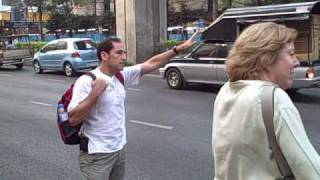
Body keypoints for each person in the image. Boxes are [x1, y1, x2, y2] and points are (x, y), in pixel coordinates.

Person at [67, 32, 198, 180]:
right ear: (104, 56)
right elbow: (73, 119)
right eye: (119, 53)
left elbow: (152, 63)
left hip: (119, 149)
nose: (124, 57)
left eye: (125, 53)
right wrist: (94, 94)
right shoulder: (87, 81)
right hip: (97, 154)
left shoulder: (120, 75)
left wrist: (177, 50)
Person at [212, 22, 320, 180]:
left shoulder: (226, 91)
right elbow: (310, 170)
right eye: (290, 54)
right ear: (266, 59)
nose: (296, 62)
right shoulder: (274, 98)